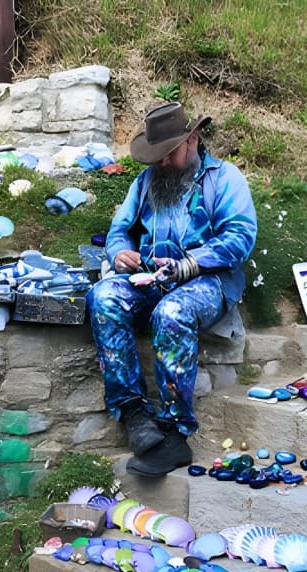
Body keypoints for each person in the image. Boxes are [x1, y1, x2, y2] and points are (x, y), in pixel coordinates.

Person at [87, 101, 258, 477]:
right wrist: (120, 254)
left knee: (172, 312)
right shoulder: (146, 182)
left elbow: (241, 237)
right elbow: (119, 231)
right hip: (152, 276)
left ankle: (175, 433)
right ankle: (134, 414)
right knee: (103, 296)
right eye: (157, 156)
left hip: (207, 281)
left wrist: (189, 264)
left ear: (192, 139)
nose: (163, 162)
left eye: (170, 153)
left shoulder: (224, 179)